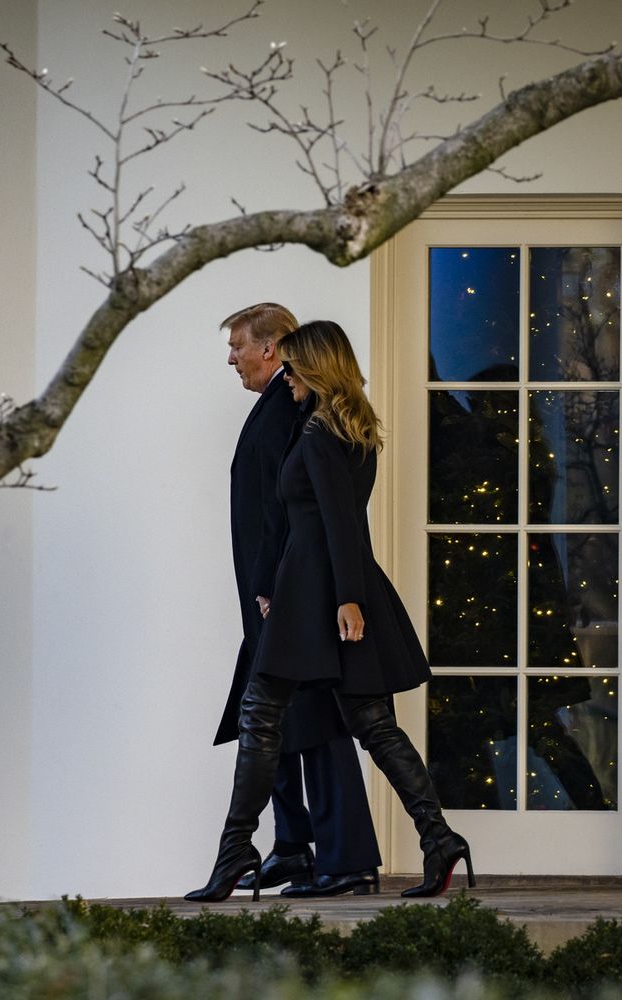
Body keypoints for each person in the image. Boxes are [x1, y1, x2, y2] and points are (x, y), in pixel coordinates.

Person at [186, 319, 474, 903]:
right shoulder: (346, 427)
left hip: (314, 596)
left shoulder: (319, 433)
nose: (286, 378)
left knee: (261, 718)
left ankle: (237, 850)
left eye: (292, 368)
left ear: (314, 367)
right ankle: (439, 838)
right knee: (371, 724)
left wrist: (348, 599)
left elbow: (343, 522)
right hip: (320, 592)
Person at [217, 303, 382, 898]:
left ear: (271, 348)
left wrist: (288, 590)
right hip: (273, 593)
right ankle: (293, 846)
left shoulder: (297, 409)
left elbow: (312, 512)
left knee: (317, 716)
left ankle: (347, 857)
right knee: (274, 717)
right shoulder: (281, 406)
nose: (231, 358)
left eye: (238, 345)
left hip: (292, 593)